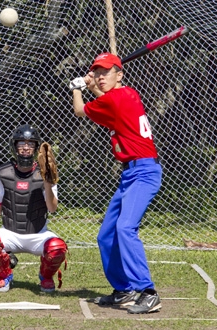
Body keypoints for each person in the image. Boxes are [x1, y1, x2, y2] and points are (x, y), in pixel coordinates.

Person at [70, 52, 162, 314]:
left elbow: (79, 110)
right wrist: (92, 88)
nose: (100, 77)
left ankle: (148, 291)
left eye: (106, 72)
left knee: (125, 228)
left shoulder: (118, 97)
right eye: (96, 73)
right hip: (130, 174)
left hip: (144, 172)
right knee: (106, 235)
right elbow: (106, 103)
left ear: (119, 74)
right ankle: (124, 289)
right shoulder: (124, 96)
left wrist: (77, 88)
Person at [0, 124, 67, 293]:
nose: (26, 148)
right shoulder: (3, 173)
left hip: (38, 234)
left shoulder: (45, 172)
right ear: (14, 146)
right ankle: (4, 276)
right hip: (10, 233)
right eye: (21, 144)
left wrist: (47, 184)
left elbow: (52, 209)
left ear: (36, 148)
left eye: (30, 144)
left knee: (57, 247)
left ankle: (45, 277)